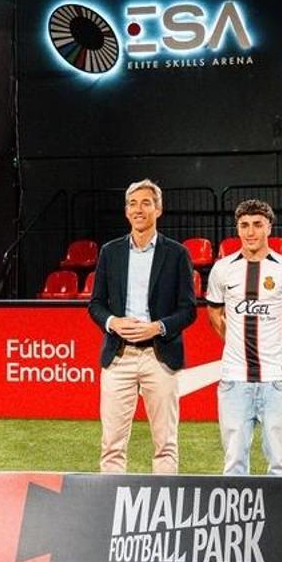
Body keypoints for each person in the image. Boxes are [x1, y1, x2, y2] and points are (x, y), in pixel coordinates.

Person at [87, 179, 197, 473]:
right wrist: (113, 323)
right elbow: (95, 304)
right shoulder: (110, 252)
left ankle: (165, 509)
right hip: (118, 356)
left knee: (166, 444)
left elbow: (189, 310)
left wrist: (158, 327)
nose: (139, 209)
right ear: (126, 212)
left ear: (158, 210)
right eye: (133, 204)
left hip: (159, 357)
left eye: (146, 203)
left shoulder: (176, 254)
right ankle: (111, 507)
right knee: (111, 444)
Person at [205, 199, 282, 475]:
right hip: (234, 380)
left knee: (281, 462)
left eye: (257, 225)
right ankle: (239, 517)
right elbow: (214, 314)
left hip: (275, 379)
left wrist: (275, 348)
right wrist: (235, 341)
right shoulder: (222, 269)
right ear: (237, 229)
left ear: (269, 228)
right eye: (244, 225)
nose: (250, 232)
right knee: (234, 461)